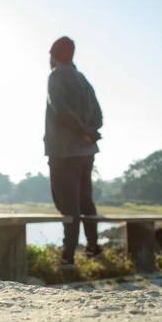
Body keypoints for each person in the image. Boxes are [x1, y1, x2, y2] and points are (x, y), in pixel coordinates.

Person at [44, 36, 103, 269]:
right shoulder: (83, 80)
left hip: (63, 151)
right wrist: (90, 134)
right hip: (86, 152)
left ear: (55, 56)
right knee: (85, 200)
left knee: (67, 202)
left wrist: (80, 132)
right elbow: (99, 115)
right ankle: (93, 247)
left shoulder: (56, 77)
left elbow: (60, 110)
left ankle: (68, 256)